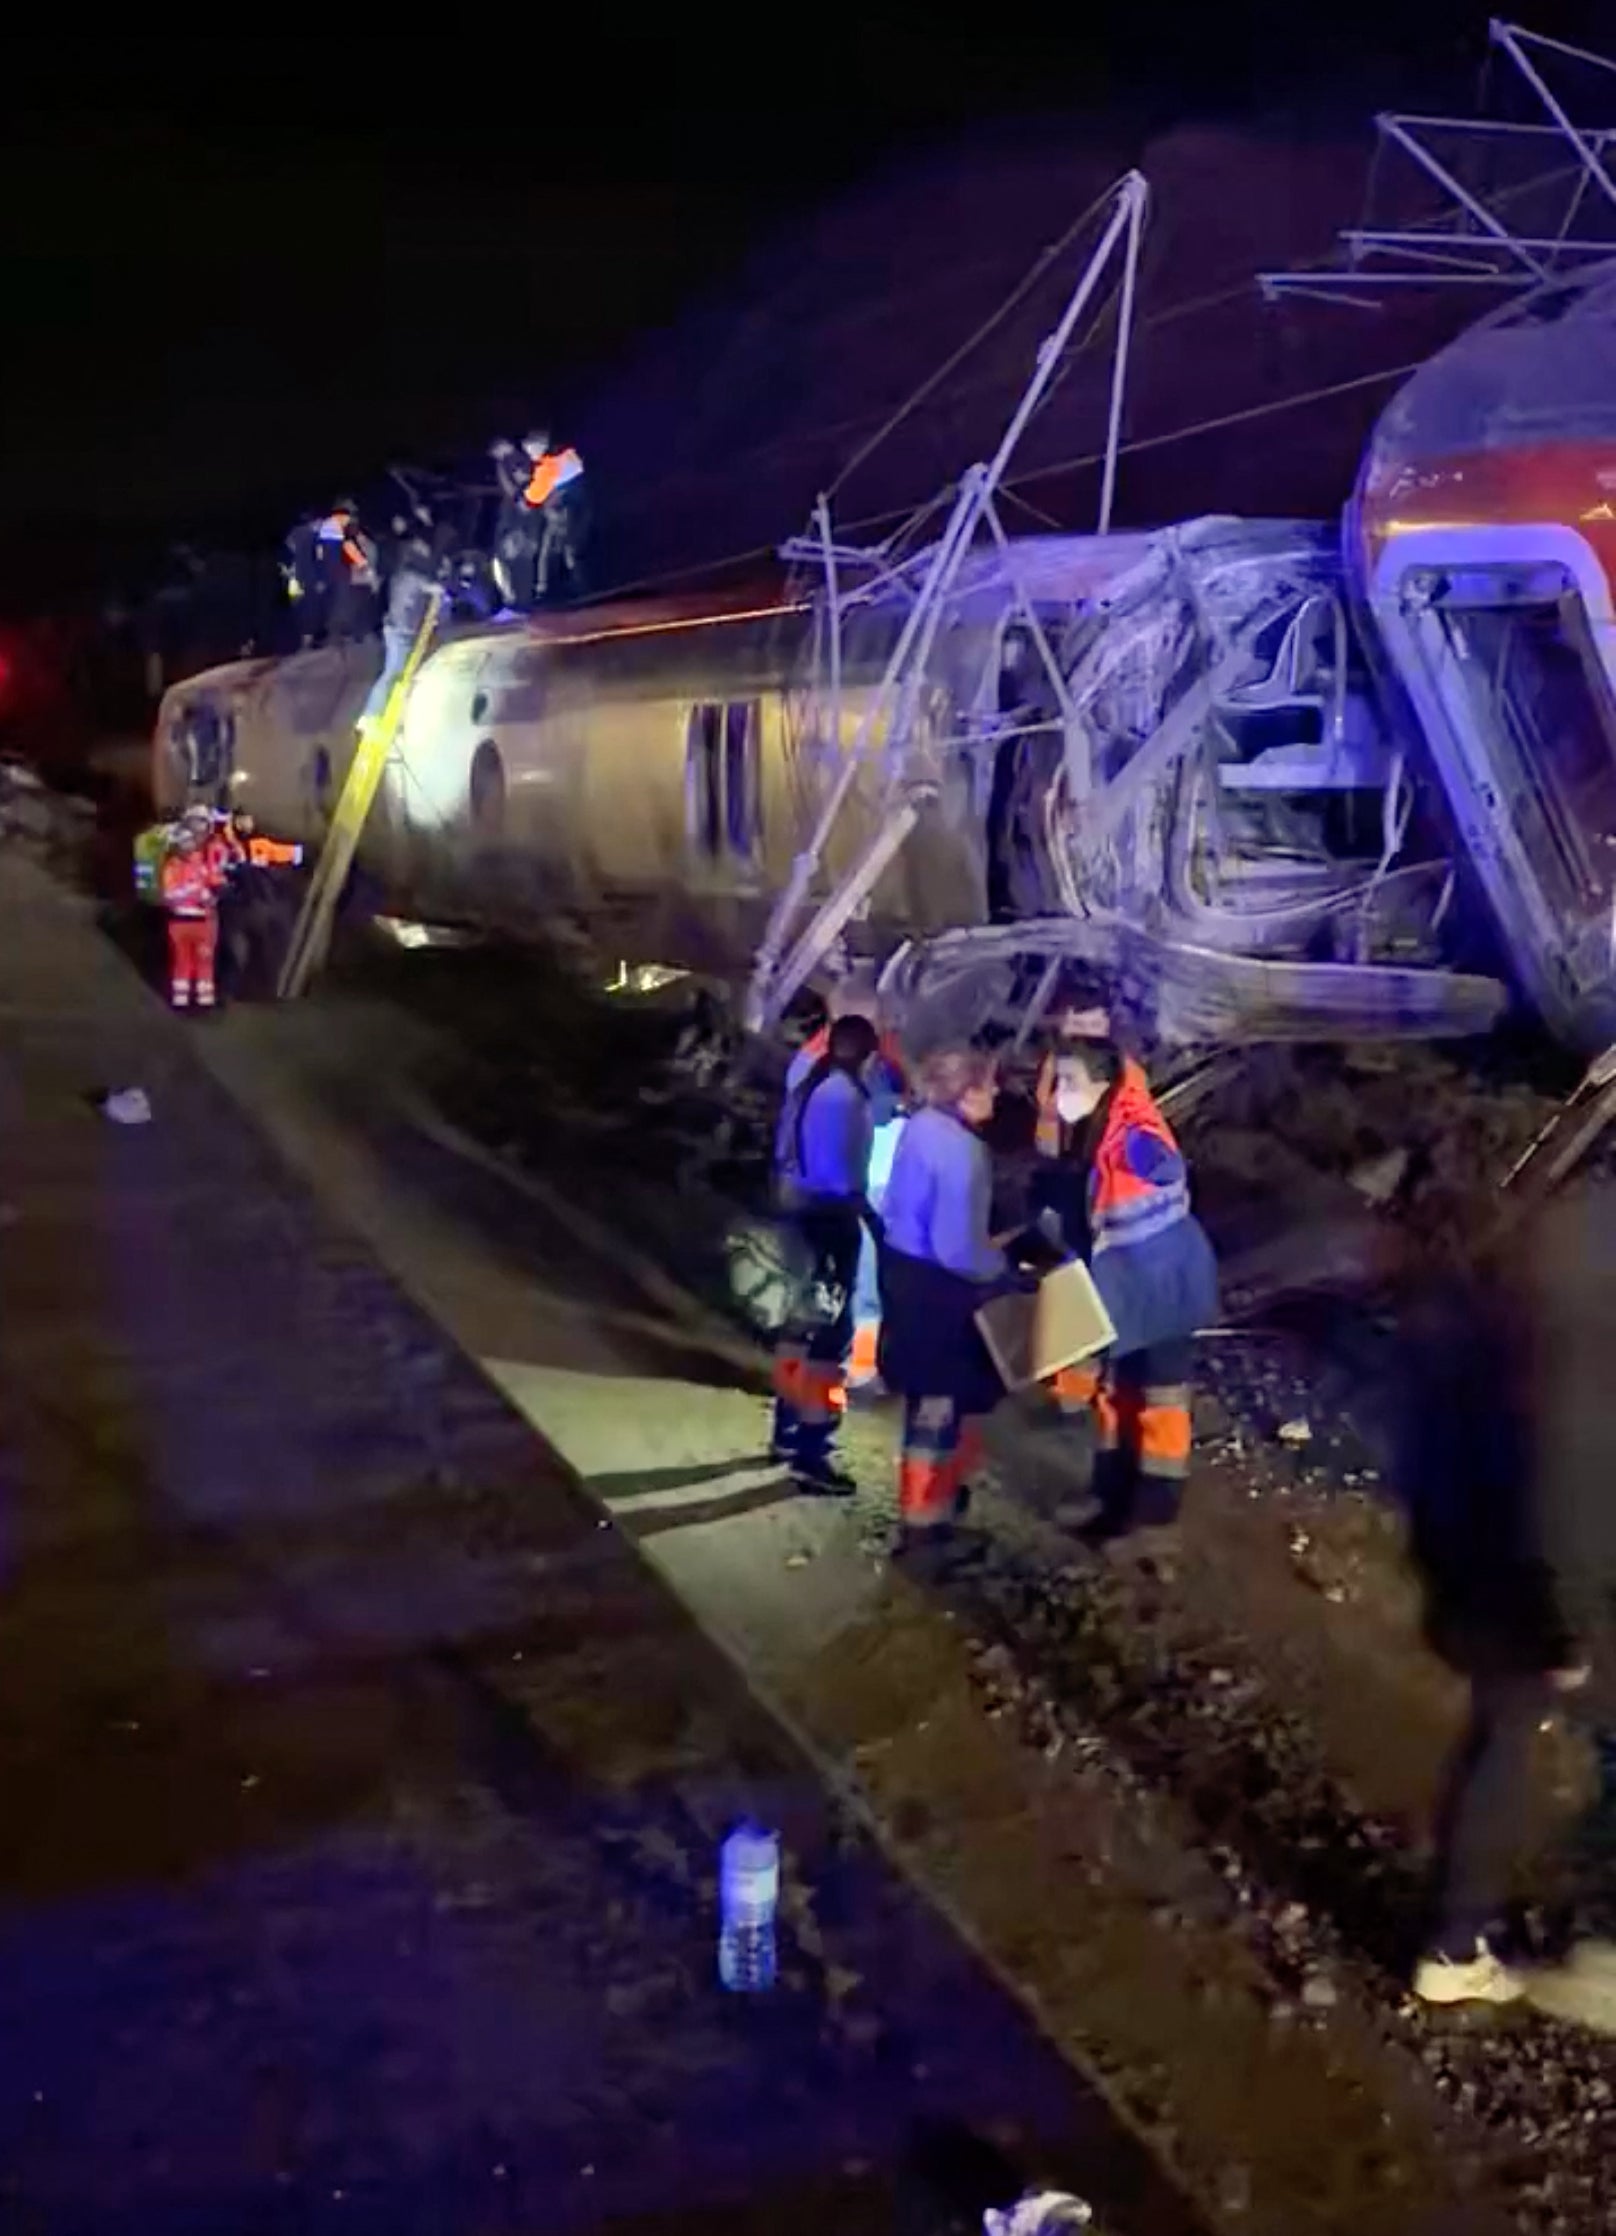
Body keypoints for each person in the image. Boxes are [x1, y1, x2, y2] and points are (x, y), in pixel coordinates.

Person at [1399, 1190, 1616, 2008]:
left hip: (1487, 1567)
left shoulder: (1548, 1243)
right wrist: (1563, 1625)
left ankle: (1459, 1939)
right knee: (1516, 1741)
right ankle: (1555, 1942)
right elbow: (1574, 1472)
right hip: (1541, 1585)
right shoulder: (1589, 1305)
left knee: (1503, 1739)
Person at [1033, 1035, 1217, 1547]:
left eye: (1070, 1081)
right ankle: (1110, 1493)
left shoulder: (1134, 1129)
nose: (1060, 1092)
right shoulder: (1101, 1125)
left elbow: (1160, 1164)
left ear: (1102, 1084)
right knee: (1119, 1391)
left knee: (1161, 1398)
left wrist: (1154, 1161)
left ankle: (1154, 1513)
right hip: (1131, 1284)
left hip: (1167, 1284)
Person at [878, 1047, 1020, 1556]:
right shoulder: (963, 1150)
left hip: (903, 1275)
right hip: (938, 1291)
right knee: (941, 1408)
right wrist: (1004, 1271)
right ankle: (925, 1530)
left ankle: (924, 1515)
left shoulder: (919, 1126)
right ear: (965, 1092)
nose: (998, 1093)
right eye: (989, 1085)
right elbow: (957, 1248)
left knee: (924, 1404)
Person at [770, 1013, 882, 1493]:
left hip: (796, 1214)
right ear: (868, 1056)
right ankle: (815, 1450)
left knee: (795, 1332)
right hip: (829, 1222)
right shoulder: (847, 1099)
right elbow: (843, 1176)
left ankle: (786, 1431)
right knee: (830, 1344)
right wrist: (874, 1220)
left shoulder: (807, 1082)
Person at [358, 518, 441, 737]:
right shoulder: (412, 575)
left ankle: (389, 715)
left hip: (397, 628)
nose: (425, 550)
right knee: (393, 672)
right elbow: (435, 588)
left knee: (397, 673)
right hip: (401, 632)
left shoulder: (402, 573)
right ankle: (370, 715)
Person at [217, 807, 303, 999]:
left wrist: (304, 854)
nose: (247, 824)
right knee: (235, 952)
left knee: (258, 951)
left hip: (256, 905)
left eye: (249, 820)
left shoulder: (260, 844)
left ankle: (252, 992)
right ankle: (230, 992)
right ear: (234, 822)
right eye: (242, 820)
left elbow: (285, 853)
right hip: (234, 907)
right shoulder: (223, 845)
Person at [1033, 963, 1113, 1156]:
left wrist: (1050, 1066)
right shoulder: (1076, 1105)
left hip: (1082, 1051)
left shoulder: (1051, 1101)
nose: (1045, 1120)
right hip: (1093, 1058)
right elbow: (1074, 1068)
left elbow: (1051, 1068)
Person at [159, 818, 222, 1010]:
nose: (189, 846)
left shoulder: (198, 864)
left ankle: (203, 1001)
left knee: (203, 962)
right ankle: (182, 1000)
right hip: (183, 922)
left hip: (201, 922)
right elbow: (170, 895)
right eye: (185, 843)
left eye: (191, 842)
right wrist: (196, 893)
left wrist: (215, 892)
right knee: (183, 962)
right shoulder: (172, 867)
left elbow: (213, 882)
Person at [318, 501, 379, 641]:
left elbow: (366, 560)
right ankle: (352, 632)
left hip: (357, 579)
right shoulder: (347, 540)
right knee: (352, 607)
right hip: (353, 579)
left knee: (357, 607)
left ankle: (355, 632)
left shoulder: (358, 540)